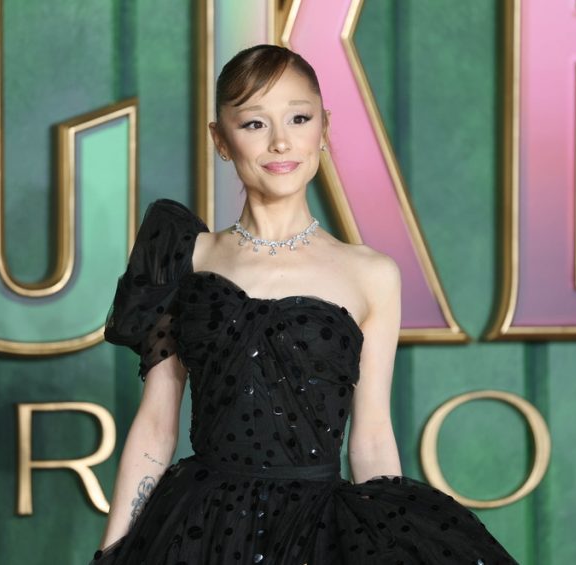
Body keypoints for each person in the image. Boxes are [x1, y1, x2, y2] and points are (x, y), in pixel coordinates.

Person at [92, 44, 517, 565]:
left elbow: (371, 438)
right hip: (200, 529)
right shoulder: (185, 255)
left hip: (316, 533)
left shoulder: (372, 275)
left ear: (324, 128)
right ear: (220, 139)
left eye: (299, 118)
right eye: (254, 123)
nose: (281, 141)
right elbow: (156, 426)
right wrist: (111, 552)